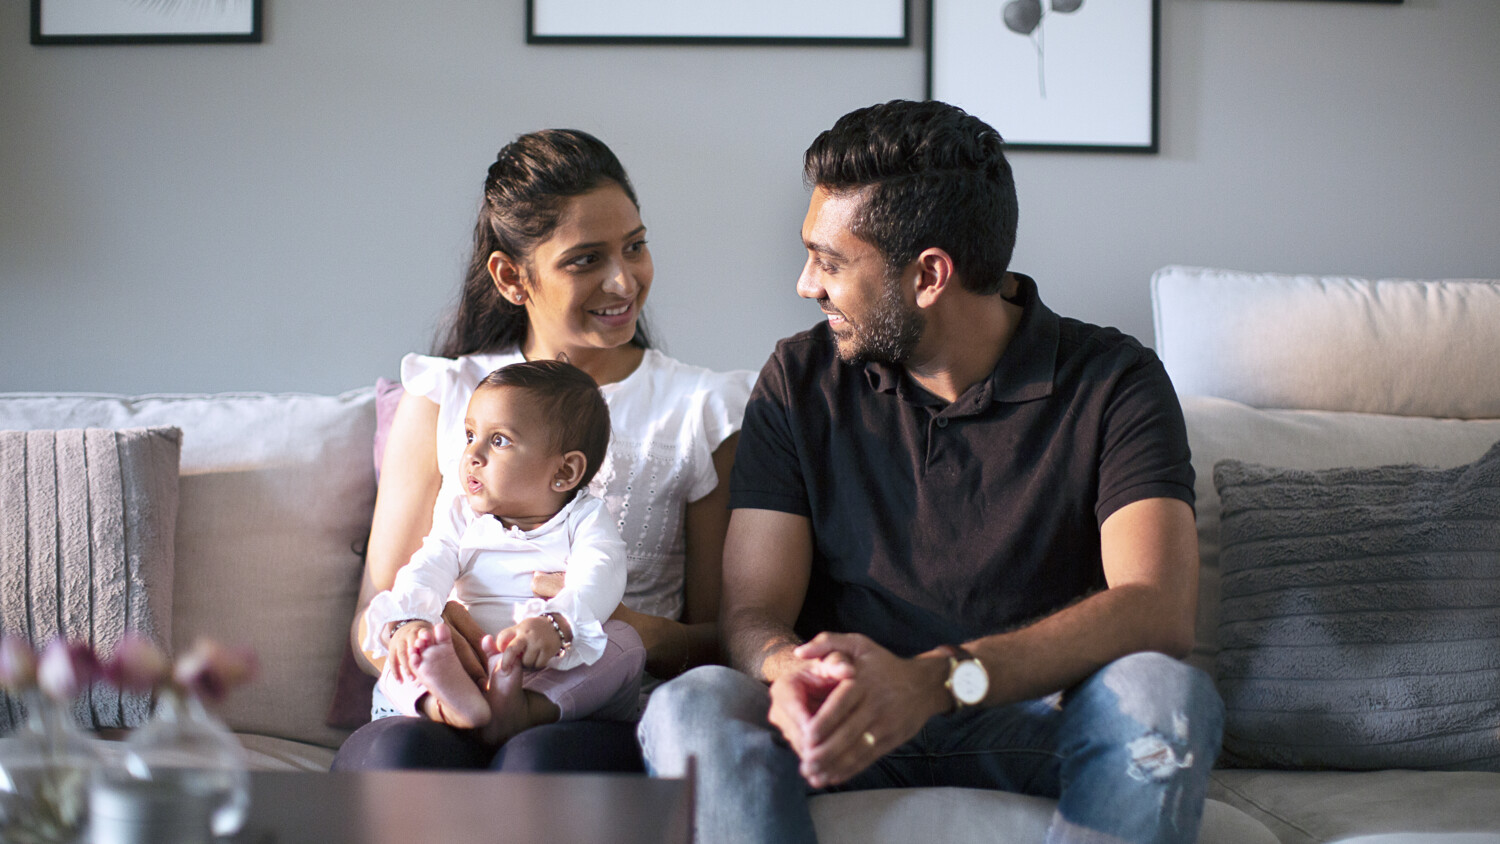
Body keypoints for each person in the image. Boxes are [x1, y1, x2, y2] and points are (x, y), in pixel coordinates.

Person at [638, 100, 1224, 844]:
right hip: (842, 720)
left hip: (1028, 718)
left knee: (1164, 693)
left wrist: (933, 682)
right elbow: (753, 610)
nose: (805, 284)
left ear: (929, 276)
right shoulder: (799, 377)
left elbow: (1156, 608)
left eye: (830, 261)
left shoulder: (1114, 381)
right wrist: (788, 671)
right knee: (693, 704)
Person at [334, 129, 752, 772]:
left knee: (536, 763)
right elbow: (374, 615)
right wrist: (419, 638)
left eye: (634, 247)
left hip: (588, 705)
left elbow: (723, 641)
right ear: (510, 276)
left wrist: (604, 628)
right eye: (585, 260)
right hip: (446, 686)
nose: (623, 281)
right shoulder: (446, 396)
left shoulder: (703, 409)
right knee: (399, 756)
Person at [363, 360, 644, 745]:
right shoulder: (461, 514)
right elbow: (430, 564)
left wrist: (558, 624)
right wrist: (411, 618)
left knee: (624, 642)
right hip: (466, 659)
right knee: (399, 644)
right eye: (469, 435)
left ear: (564, 472)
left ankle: (525, 708)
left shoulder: (585, 519)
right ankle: (443, 704)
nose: (472, 455)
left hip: (546, 660)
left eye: (499, 441)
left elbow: (601, 571)